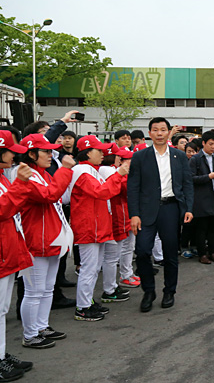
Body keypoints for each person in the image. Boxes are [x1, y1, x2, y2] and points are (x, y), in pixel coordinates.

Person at [128, 118, 194, 313]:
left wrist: (189, 208)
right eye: (155, 130)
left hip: (171, 209)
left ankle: (169, 291)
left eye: (163, 130)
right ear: (150, 133)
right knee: (142, 251)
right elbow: (133, 188)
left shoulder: (179, 156)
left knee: (171, 253)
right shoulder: (140, 157)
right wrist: (134, 214)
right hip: (145, 211)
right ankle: (149, 291)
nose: (159, 133)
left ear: (168, 133)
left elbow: (187, 183)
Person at [18, 134, 75, 349]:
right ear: (32, 154)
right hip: (36, 240)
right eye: (46, 151)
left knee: (47, 288)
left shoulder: (41, 173)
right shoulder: (26, 175)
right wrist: (66, 170)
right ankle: (30, 334)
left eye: (51, 151)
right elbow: (49, 195)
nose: (51, 155)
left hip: (50, 237)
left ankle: (41, 326)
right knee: (34, 291)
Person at [69, 135, 129, 321]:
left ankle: (87, 301)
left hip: (97, 225)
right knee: (89, 268)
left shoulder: (91, 170)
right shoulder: (82, 170)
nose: (103, 153)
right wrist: (119, 174)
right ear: (87, 152)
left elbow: (109, 191)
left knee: (94, 268)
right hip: (89, 226)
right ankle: (83, 307)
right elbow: (101, 192)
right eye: (98, 150)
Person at [0, 131, 35, 380]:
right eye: (10, 150)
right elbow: (3, 209)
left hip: (7, 249)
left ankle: (1, 354)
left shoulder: (2, 177)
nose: (14, 155)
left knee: (2, 308)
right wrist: (20, 184)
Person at [98, 145, 135, 304]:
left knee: (123, 250)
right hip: (115, 216)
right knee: (111, 257)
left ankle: (113, 285)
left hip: (123, 214)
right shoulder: (108, 171)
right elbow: (124, 190)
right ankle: (109, 289)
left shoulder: (114, 171)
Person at [190, 130, 214, 264]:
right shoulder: (195, 159)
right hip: (202, 198)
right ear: (203, 143)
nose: (213, 147)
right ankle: (202, 254)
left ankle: (212, 252)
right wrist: (208, 177)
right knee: (201, 228)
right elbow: (191, 178)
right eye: (210, 144)